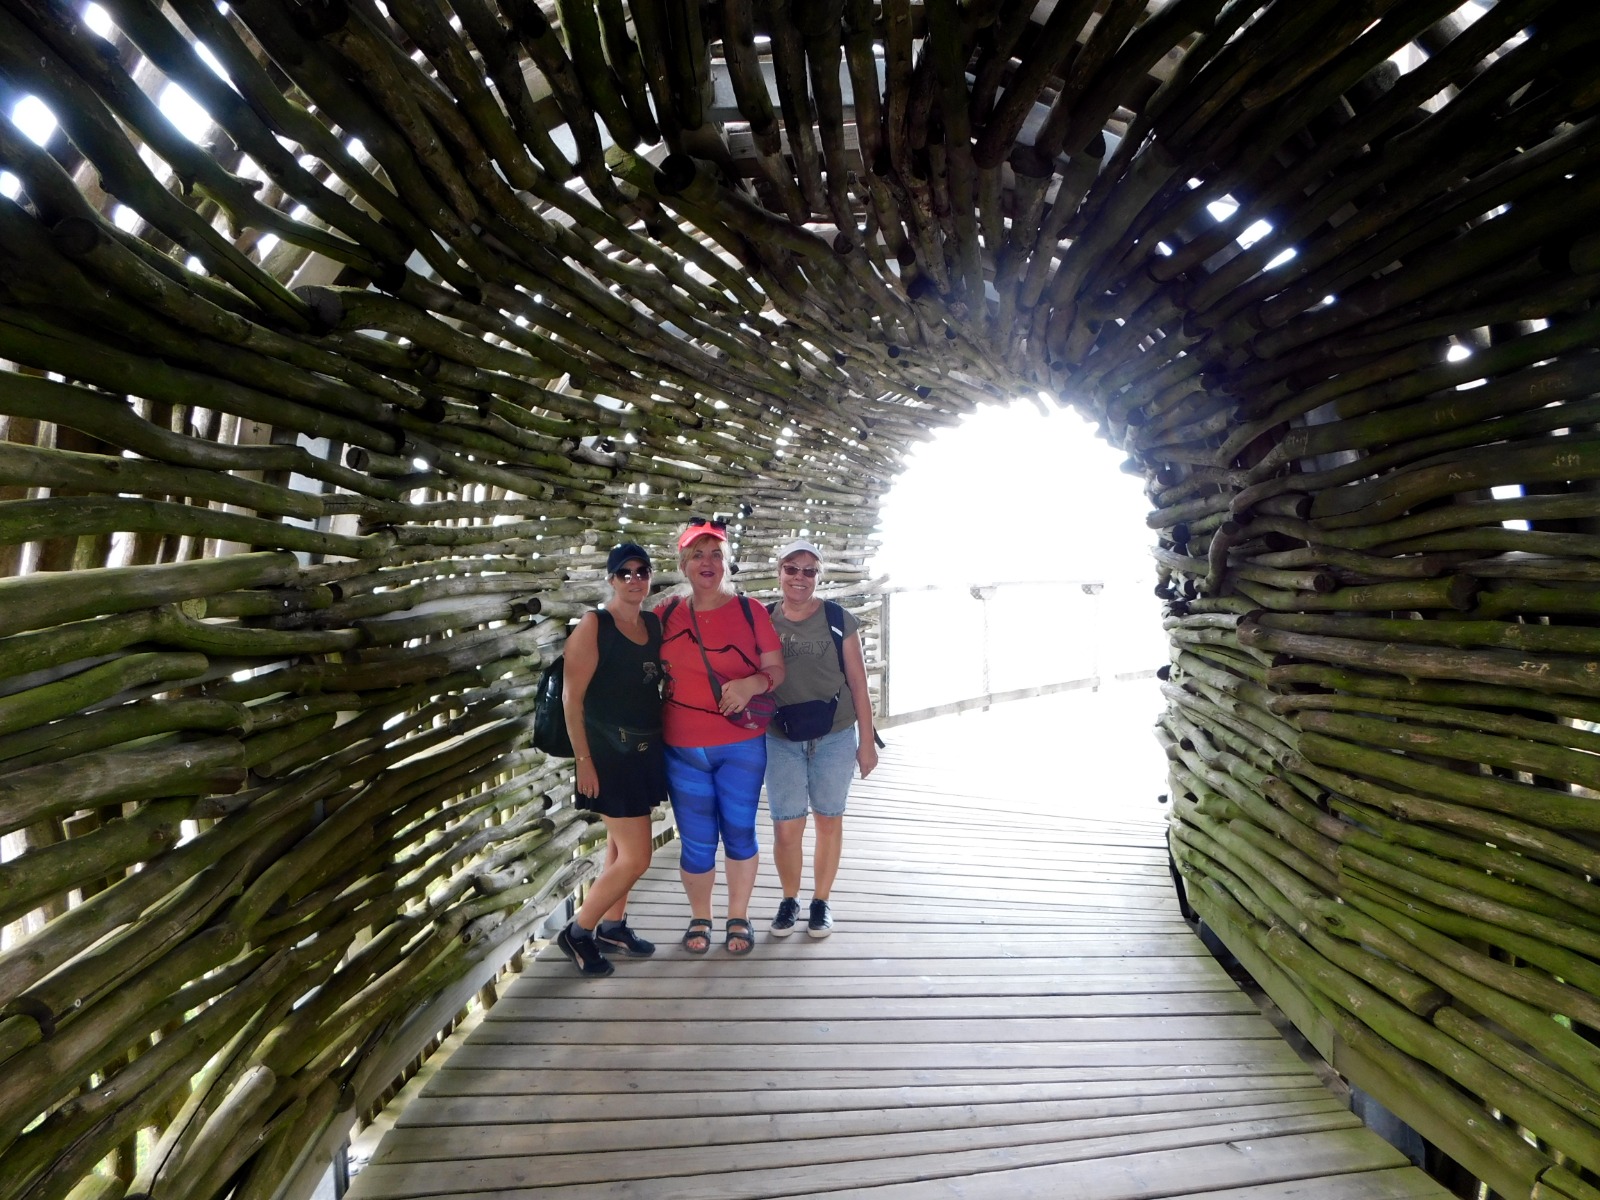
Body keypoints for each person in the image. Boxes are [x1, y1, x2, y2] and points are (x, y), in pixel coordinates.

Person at [658, 517, 785, 956]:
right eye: (697, 555)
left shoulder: (750, 612)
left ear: (727, 563)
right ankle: (701, 916)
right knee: (695, 841)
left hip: (740, 746)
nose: (707, 562)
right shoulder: (667, 613)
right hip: (682, 747)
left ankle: (738, 916)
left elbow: (776, 669)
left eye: (716, 554)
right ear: (684, 564)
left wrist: (752, 684)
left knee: (739, 832)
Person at [555, 542, 668, 977]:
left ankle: (612, 927)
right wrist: (583, 760)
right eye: (625, 573)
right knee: (638, 857)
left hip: (643, 751)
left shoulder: (652, 624)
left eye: (642, 572)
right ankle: (578, 931)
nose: (635, 580)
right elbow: (571, 700)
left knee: (621, 849)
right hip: (606, 756)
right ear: (611, 579)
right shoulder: (594, 625)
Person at [764, 539, 877, 937]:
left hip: (834, 733)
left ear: (818, 576)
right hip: (781, 736)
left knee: (829, 818)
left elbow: (859, 684)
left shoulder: (837, 618)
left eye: (809, 570)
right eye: (791, 569)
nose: (800, 577)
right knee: (786, 826)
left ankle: (821, 901)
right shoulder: (762, 619)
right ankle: (789, 899)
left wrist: (866, 742)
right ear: (779, 572)